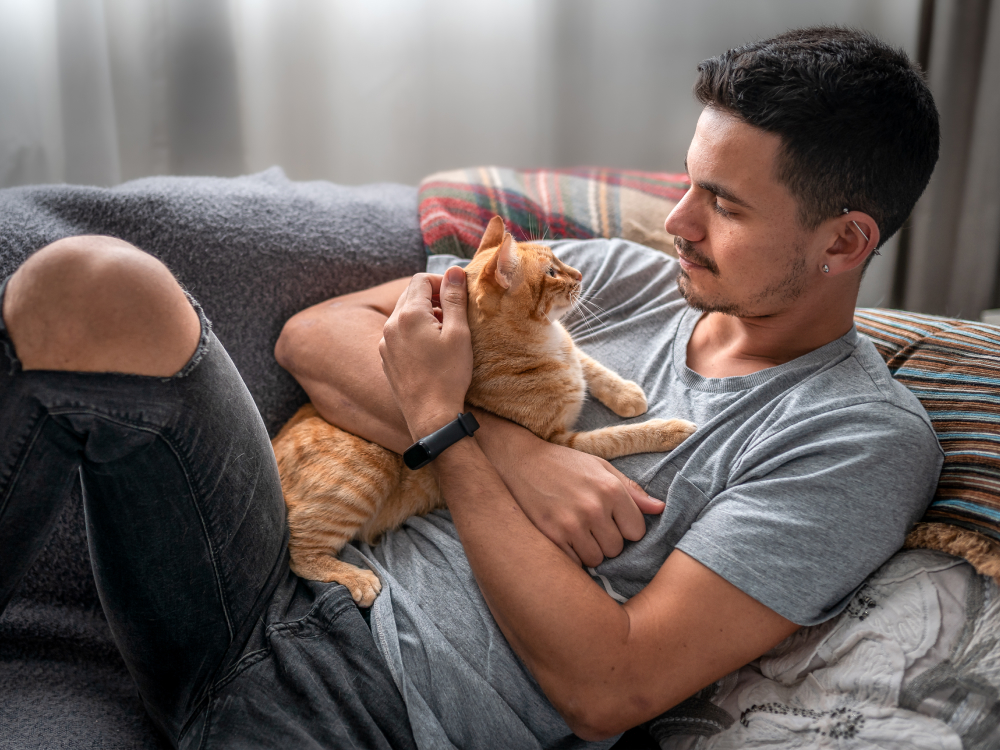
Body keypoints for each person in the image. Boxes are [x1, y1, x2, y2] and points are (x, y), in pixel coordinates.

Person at [0, 26, 942, 750]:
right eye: (690, 183)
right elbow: (316, 334)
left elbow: (611, 684)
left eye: (724, 204)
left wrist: (448, 428)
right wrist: (516, 454)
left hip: (357, 705)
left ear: (845, 241)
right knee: (84, 282)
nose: (679, 220)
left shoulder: (854, 437)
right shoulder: (615, 274)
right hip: (250, 564)